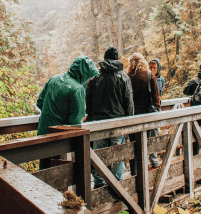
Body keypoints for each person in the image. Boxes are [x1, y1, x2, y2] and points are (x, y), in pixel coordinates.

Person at [36, 55, 99, 169]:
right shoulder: (77, 89)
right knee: (59, 174)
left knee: (43, 171)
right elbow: (75, 121)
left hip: (43, 133)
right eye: (88, 76)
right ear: (83, 73)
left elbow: (40, 102)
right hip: (59, 139)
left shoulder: (53, 79)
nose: (88, 80)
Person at [86, 47, 134, 188]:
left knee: (98, 154)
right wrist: (129, 122)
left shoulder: (94, 78)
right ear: (117, 59)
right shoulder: (124, 77)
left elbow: (87, 103)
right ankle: (117, 183)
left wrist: (91, 117)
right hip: (117, 122)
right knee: (117, 153)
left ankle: (100, 183)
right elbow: (129, 102)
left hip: (98, 123)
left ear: (104, 58)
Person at [128, 53, 161, 168]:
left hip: (133, 115)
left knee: (135, 142)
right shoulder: (149, 75)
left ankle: (137, 168)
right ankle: (154, 162)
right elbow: (156, 97)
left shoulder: (127, 76)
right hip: (148, 113)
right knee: (151, 138)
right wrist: (157, 110)